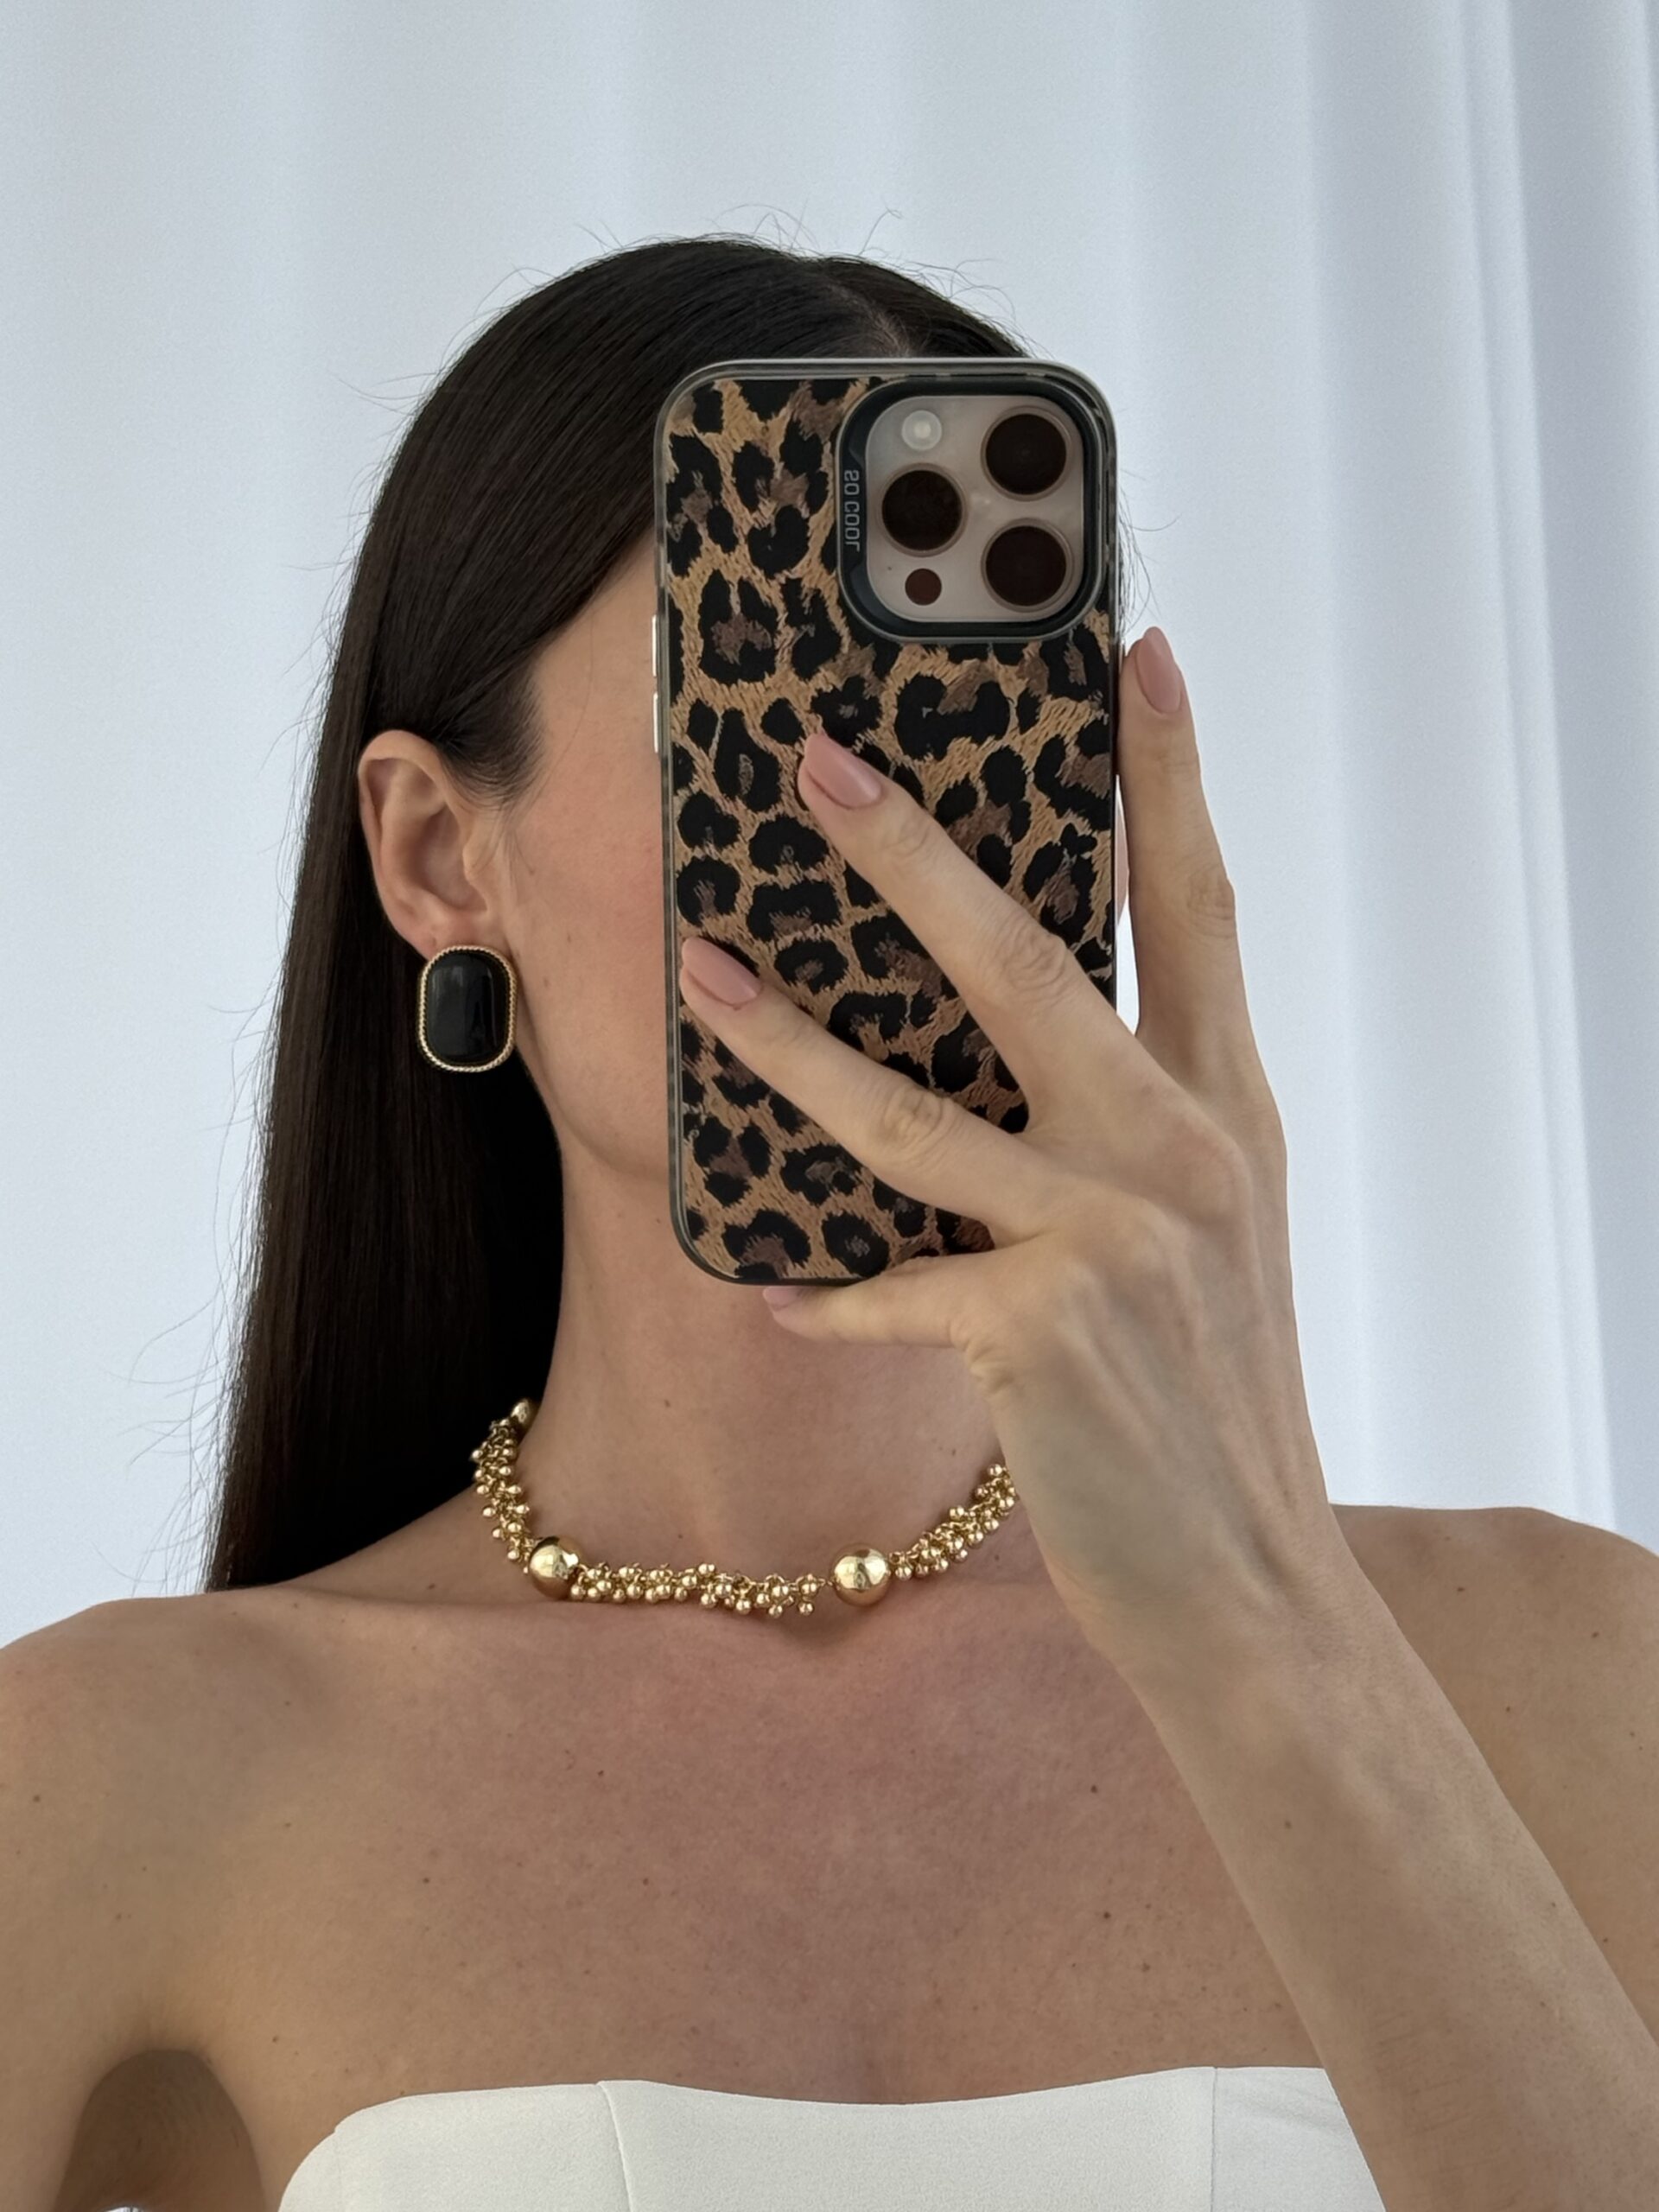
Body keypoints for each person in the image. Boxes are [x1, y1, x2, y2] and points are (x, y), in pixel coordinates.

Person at [5, 236, 1657, 2212]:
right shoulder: (123, 1772)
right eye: (764, 713)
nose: (896, 837)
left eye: (973, 720)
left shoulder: (1577, 1674)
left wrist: (1266, 1617)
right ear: (442, 855)